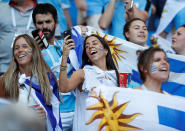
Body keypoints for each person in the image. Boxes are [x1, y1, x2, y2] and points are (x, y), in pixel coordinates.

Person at [0, 34, 62, 130]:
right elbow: (2, 112)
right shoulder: (5, 80)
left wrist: (45, 113)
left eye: (25, 46)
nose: (20, 50)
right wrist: (24, 113)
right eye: (16, 48)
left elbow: (54, 109)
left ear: (33, 51)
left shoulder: (47, 78)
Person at [59, 34, 120, 131]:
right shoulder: (82, 73)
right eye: (87, 46)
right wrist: (64, 58)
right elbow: (63, 88)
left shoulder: (116, 75)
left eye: (94, 43)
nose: (90, 46)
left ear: (105, 50)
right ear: (87, 56)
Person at [32, 3, 77, 131]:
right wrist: (35, 53)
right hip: (52, 112)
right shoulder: (30, 51)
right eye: (40, 23)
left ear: (56, 23)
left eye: (48, 21)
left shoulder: (67, 45)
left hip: (76, 109)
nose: (44, 26)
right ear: (35, 25)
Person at [0, 0, 36, 75]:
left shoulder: (42, 9)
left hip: (35, 72)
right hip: (4, 70)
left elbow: (53, 41)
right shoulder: (1, 9)